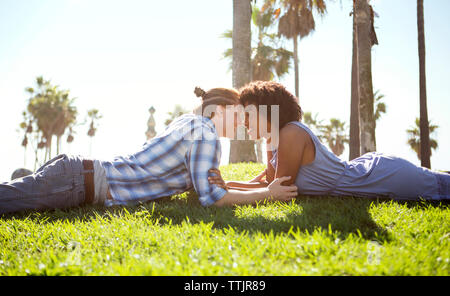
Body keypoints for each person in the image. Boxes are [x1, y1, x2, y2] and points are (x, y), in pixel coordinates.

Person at [0, 86, 297, 215]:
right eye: (237, 114)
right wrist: (267, 194)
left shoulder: (189, 123)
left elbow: (202, 189)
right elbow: (211, 199)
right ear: (219, 110)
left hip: (78, 174)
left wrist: (230, 183)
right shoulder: (206, 135)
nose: (243, 123)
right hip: (79, 182)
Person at [208, 81, 450, 201]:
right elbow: (271, 183)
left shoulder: (291, 134)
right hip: (368, 170)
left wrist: (227, 187)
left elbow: (280, 191)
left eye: (248, 115)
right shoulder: (274, 140)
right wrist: (229, 184)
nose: (245, 123)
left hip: (384, 177)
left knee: (442, 187)